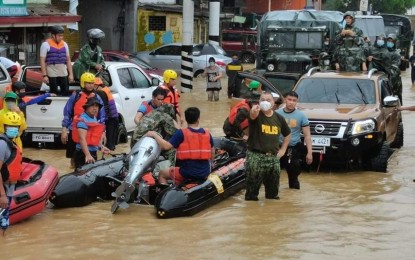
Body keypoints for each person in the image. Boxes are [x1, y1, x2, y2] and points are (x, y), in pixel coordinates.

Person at [145, 107, 215, 185]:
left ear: (186, 119)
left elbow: (166, 146)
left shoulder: (181, 133)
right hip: (205, 172)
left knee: (162, 174)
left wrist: (154, 134)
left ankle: (166, 194)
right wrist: (211, 164)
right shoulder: (207, 133)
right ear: (198, 118)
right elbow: (212, 151)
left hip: (187, 173)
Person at [244, 91, 291, 201]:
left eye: (268, 100)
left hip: (273, 158)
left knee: (273, 195)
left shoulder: (279, 118)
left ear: (274, 103)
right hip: (256, 157)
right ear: (259, 102)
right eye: (262, 100)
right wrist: (253, 111)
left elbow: (287, 134)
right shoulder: (256, 114)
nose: (265, 102)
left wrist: (283, 150)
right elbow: (252, 115)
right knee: (251, 195)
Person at [61, 72, 106, 168]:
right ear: (82, 83)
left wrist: (103, 132)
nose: (90, 85)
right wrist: (64, 129)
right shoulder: (76, 96)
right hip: (76, 130)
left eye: (92, 83)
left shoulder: (97, 97)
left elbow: (102, 116)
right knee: (73, 158)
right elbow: (67, 112)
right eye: (88, 83)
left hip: (91, 131)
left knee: (91, 157)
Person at [276, 91, 313, 190]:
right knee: (273, 175)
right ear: (285, 100)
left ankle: (293, 198)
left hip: (293, 149)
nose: (291, 102)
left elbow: (307, 135)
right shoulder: (277, 114)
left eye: (294, 100)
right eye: (289, 99)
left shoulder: (301, 116)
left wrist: (310, 153)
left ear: (297, 102)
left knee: (293, 177)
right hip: (277, 148)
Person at [0, 111, 23, 234]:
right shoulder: (2, 144)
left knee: (4, 225)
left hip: (8, 188)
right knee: (2, 224)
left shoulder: (12, 143)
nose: (13, 129)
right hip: (2, 191)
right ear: (4, 127)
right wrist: (2, 195)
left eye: (15, 127)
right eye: (10, 126)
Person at [72, 97, 110, 168]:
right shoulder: (83, 119)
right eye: (92, 105)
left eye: (96, 106)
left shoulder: (94, 118)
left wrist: (101, 147)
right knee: (82, 176)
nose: (95, 108)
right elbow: (82, 138)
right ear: (86, 107)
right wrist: (88, 155)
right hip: (82, 153)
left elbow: (93, 138)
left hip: (92, 152)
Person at [40, 25, 73, 96]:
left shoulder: (64, 44)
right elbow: (42, 61)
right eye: (59, 35)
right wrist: (44, 75)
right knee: (53, 92)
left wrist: (71, 74)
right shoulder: (45, 45)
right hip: (52, 70)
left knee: (65, 91)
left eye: (62, 36)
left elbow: (68, 60)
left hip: (63, 70)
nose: (61, 37)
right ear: (53, 35)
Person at [93, 77, 118, 151]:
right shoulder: (106, 89)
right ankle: (111, 152)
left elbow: (104, 107)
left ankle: (109, 156)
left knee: (109, 141)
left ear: (96, 85)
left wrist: (102, 119)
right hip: (113, 117)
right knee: (111, 140)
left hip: (110, 118)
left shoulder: (101, 92)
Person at [386, 34, 403, 104]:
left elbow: (395, 68)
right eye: (388, 40)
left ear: (395, 42)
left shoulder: (396, 53)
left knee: (396, 99)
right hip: (385, 79)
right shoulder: (384, 51)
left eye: (391, 41)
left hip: (395, 81)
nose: (389, 42)